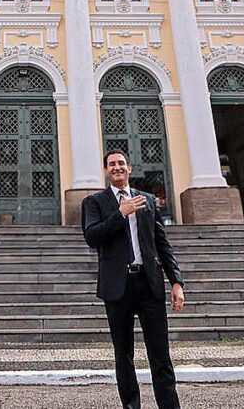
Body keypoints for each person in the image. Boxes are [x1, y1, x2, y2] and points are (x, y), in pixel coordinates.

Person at [82, 149, 184, 409]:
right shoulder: (95, 202)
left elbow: (162, 244)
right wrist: (121, 212)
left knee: (160, 354)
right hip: (118, 286)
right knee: (124, 354)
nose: (117, 167)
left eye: (121, 163)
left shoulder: (147, 200)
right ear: (106, 170)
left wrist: (176, 282)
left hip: (149, 284)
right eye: (112, 164)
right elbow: (92, 236)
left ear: (129, 168)